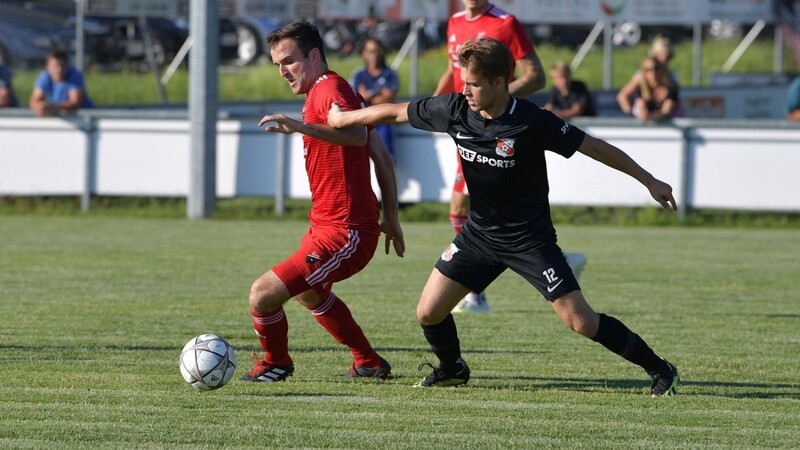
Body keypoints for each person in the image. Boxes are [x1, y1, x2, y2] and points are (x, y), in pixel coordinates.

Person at [328, 37, 680, 397]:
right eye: (464, 82)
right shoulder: (455, 109)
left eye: (474, 84)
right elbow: (393, 111)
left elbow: (593, 146)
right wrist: (343, 118)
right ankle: (453, 369)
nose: (465, 90)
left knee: (581, 321)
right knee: (428, 312)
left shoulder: (532, 121)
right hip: (478, 236)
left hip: (530, 240)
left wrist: (648, 180)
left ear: (500, 82)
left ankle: (660, 369)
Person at [241, 22, 405, 383]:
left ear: (314, 55)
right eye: (277, 65)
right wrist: (391, 217)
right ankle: (368, 362)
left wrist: (300, 127)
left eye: (289, 61)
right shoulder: (328, 88)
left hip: (346, 232)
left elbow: (357, 135)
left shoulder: (329, 88)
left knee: (262, 294)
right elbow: (381, 156)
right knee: (308, 294)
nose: (283, 71)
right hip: (325, 225)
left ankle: (276, 362)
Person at [435, 0, 546, 313]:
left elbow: (536, 76)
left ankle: (475, 291)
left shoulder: (506, 23)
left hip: (495, 130)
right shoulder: (454, 22)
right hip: (467, 128)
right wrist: (433, 107)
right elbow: (451, 73)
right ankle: (556, 261)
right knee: (471, 210)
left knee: (469, 207)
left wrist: (496, 104)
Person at [350, 37, 399, 158]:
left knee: (386, 158)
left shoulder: (390, 74)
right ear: (364, 54)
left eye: (378, 51)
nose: (375, 55)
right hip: (363, 123)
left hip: (383, 122)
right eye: (371, 52)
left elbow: (389, 99)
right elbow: (353, 101)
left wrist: (367, 96)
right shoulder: (358, 75)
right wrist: (378, 93)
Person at [616, 35, 676, 117]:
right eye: (663, 57)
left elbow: (668, 106)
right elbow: (623, 95)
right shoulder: (642, 75)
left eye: (668, 57)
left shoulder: (672, 76)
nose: (665, 61)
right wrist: (630, 115)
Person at [29, 50, 93, 116]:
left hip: (84, 118)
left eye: (63, 65)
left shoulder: (75, 76)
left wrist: (51, 108)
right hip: (62, 118)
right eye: (55, 66)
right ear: (47, 66)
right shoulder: (44, 77)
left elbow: (75, 102)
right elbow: (34, 100)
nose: (59, 69)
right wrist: (40, 107)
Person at [622, 57, 680, 123]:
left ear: (661, 70)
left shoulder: (671, 87)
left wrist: (650, 117)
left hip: (671, 125)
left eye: (656, 68)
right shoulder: (642, 87)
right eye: (648, 70)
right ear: (644, 72)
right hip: (650, 126)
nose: (653, 73)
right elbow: (640, 105)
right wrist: (636, 114)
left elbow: (666, 111)